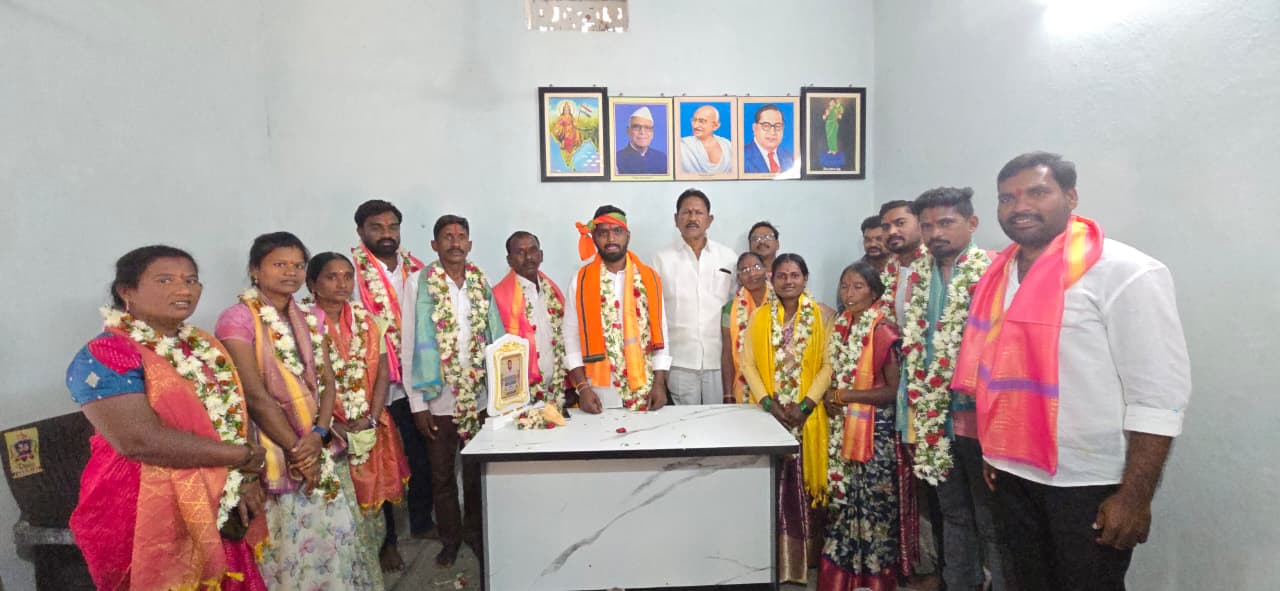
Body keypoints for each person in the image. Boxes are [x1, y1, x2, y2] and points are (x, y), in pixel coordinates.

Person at [953, 152, 1191, 590]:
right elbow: (997, 373)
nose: (1020, 207)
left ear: (1071, 196)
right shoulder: (997, 276)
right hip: (1012, 474)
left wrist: (1134, 497)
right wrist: (993, 450)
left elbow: (1159, 397)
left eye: (1037, 192)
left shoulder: (1124, 272)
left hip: (1089, 481)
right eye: (1007, 198)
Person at [67, 245, 268, 590]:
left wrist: (245, 478)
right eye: (165, 280)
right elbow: (139, 441)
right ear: (126, 291)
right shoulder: (106, 354)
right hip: (143, 503)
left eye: (191, 280)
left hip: (216, 492)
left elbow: (235, 410)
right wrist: (242, 457)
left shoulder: (201, 344)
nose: (183, 289)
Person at [217, 232, 381, 590]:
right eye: (279, 264)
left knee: (333, 538)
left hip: (316, 444)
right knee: (290, 550)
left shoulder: (309, 316)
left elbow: (327, 381)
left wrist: (319, 434)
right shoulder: (237, 319)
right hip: (274, 450)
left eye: (297, 265)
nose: (290, 272)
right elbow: (254, 395)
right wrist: (298, 450)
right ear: (255, 270)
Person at [898, 188, 1015, 591]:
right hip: (935, 421)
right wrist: (910, 422)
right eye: (927, 225)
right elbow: (911, 354)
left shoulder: (994, 273)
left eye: (946, 223)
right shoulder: (917, 278)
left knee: (992, 522)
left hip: (982, 423)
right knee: (954, 516)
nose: (935, 233)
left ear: (972, 223)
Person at [305, 252, 410, 580]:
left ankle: (385, 549)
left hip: (370, 420)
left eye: (347, 276)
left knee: (379, 490)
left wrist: (372, 416)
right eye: (331, 276)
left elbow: (382, 374)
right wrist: (330, 423)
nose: (342, 283)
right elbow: (301, 382)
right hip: (327, 428)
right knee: (342, 503)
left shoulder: (369, 322)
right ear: (312, 284)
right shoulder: (303, 326)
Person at [410, 215, 504, 567]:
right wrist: (418, 405)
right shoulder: (418, 283)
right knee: (442, 475)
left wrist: (499, 396)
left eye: (461, 236)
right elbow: (409, 344)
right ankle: (450, 539)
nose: (455, 242)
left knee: (477, 473)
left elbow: (495, 339)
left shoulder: (481, 281)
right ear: (434, 244)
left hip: (477, 398)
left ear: (470, 244)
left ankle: (476, 534)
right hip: (437, 398)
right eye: (447, 236)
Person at [349, 199, 435, 571]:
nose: (386, 234)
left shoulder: (417, 269)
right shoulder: (351, 274)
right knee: (380, 464)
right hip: (376, 386)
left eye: (392, 227)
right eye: (376, 227)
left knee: (422, 455)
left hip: (417, 382)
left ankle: (422, 522)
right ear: (360, 231)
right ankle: (387, 542)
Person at [740, 253, 834, 585]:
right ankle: (769, 562)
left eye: (795, 275)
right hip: (770, 415)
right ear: (772, 279)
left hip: (808, 415)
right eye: (782, 275)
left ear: (805, 279)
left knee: (808, 486)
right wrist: (768, 402)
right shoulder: (759, 317)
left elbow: (828, 365)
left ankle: (805, 561)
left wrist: (806, 404)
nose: (789, 281)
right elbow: (747, 364)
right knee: (772, 486)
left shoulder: (822, 315)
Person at [818, 261, 905, 591]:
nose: (849, 294)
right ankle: (844, 577)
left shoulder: (883, 330)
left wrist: (844, 395)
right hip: (844, 428)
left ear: (874, 291)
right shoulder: (842, 326)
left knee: (873, 508)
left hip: (874, 435)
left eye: (857, 287)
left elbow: (892, 391)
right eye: (844, 286)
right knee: (846, 505)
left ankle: (873, 579)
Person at [876, 198, 938, 589]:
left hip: (939, 396)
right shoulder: (892, 270)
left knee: (942, 491)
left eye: (900, 223)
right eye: (887, 226)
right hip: (907, 396)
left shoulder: (937, 266)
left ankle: (948, 572)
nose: (892, 231)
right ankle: (925, 564)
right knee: (917, 484)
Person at [565, 205, 671, 413]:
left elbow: (662, 333)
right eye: (603, 233)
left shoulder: (649, 279)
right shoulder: (580, 280)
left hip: (645, 386)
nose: (611, 239)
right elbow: (571, 336)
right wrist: (583, 388)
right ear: (594, 237)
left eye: (617, 231)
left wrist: (660, 384)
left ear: (627, 235)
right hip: (599, 390)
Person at [653, 189, 738, 405]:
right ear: (676, 219)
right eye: (686, 212)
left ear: (709, 219)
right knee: (684, 423)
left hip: (720, 361)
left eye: (698, 212)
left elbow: (737, 306)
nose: (692, 218)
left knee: (718, 421)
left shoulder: (728, 257)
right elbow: (654, 313)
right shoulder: (661, 259)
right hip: (679, 362)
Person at [493, 230, 569, 407]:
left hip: (558, 388)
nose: (528, 257)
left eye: (533, 250)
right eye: (520, 252)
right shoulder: (498, 297)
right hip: (519, 393)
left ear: (541, 255)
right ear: (509, 260)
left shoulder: (553, 292)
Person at [720, 251, 773, 403]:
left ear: (765, 270)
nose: (751, 274)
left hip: (776, 384)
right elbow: (727, 353)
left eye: (756, 267)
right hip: (743, 385)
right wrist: (727, 395)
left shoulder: (781, 301)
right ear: (739, 278)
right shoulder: (729, 309)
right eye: (745, 270)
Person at [679, 104, 734, 175]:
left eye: (702, 121)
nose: (695, 125)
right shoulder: (683, 145)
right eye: (694, 120)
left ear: (716, 126)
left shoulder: (727, 145)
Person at [742, 104, 796, 175]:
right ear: (755, 128)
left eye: (778, 126)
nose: (772, 132)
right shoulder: (742, 156)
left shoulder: (790, 158)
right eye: (766, 126)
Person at [615, 106, 668, 175]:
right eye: (636, 127)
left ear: (652, 133)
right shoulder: (616, 160)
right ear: (628, 131)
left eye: (647, 128)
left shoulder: (662, 159)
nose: (642, 132)